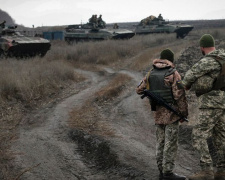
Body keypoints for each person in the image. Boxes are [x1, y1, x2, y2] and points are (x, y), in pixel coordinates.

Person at [136, 49, 188, 180]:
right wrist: (183, 114)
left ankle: (161, 170)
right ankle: (168, 173)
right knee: (170, 144)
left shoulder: (151, 73)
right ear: (171, 60)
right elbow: (179, 95)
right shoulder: (173, 73)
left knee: (160, 142)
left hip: (158, 114)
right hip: (172, 115)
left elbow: (139, 89)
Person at [178, 34, 225, 180]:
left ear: (202, 47)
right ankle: (222, 170)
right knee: (220, 136)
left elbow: (189, 76)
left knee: (198, 135)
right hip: (223, 102)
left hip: (210, 103)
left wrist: (183, 85)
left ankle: (206, 170)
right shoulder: (223, 58)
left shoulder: (207, 61)